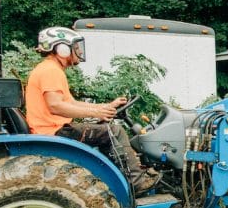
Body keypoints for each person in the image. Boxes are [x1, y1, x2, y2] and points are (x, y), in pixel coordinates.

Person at [24, 27, 160, 194]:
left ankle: (121, 179)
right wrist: (97, 113)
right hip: (54, 131)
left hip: (52, 129)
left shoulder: (49, 69)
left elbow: (71, 103)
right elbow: (56, 106)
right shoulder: (50, 71)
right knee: (114, 131)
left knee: (104, 130)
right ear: (62, 49)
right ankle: (136, 182)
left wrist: (105, 107)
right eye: (76, 47)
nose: (79, 51)